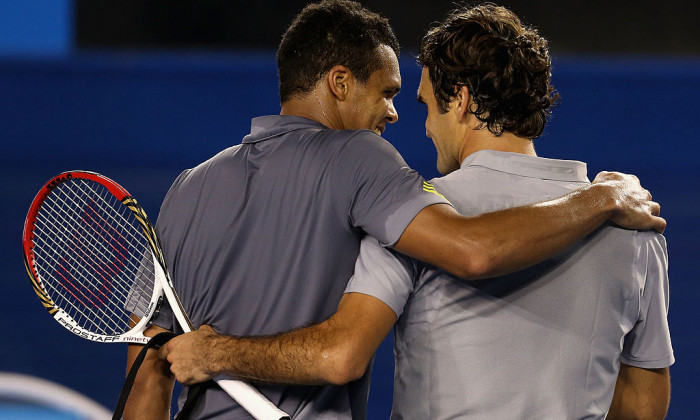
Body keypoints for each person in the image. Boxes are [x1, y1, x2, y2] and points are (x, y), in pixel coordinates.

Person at [128, 1, 666, 419]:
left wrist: (215, 353)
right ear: (339, 82)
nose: (402, 119)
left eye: (418, 104)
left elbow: (146, 370)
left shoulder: (185, 189)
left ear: (459, 101)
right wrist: (602, 198)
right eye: (389, 95)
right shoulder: (635, 227)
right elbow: (642, 406)